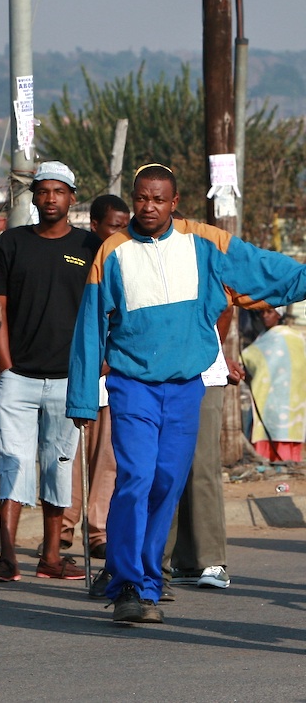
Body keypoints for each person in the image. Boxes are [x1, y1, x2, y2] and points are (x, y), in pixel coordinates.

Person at [67, 163, 306, 624]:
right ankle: (129, 585)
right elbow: (90, 328)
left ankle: (149, 582)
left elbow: (262, 269)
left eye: (159, 199)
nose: (149, 207)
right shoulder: (112, 252)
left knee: (166, 484)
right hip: (131, 385)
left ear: (174, 203)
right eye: (141, 198)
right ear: (133, 199)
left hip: (184, 388)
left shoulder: (204, 242)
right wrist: (81, 398)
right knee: (135, 478)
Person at [0, 161, 99, 583]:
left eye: (59, 191)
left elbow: (103, 310)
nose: (50, 198)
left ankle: (52, 557)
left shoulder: (90, 247)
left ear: (72, 197)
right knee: (14, 461)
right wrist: (6, 362)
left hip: (70, 379)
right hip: (19, 376)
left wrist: (96, 365)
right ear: (33, 196)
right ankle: (7, 557)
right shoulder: (12, 243)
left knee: (58, 464)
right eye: (43, 191)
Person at [61, 194, 129, 578]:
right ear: (96, 227)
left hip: (114, 371)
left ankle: (99, 529)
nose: (120, 233)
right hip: (80, 370)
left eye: (124, 225)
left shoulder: (129, 259)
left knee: (108, 457)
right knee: (72, 454)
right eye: (113, 226)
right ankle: (64, 528)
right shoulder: (82, 260)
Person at [163, 307, 243, 594]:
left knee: (202, 464)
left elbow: (224, 307)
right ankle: (174, 561)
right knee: (167, 467)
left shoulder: (209, 262)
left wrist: (205, 351)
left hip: (204, 372)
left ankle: (210, 560)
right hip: (161, 368)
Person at [242, 304, 306, 463]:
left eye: (269, 312)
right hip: (273, 395)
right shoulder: (264, 337)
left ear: (279, 315)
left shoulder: (284, 336)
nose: (265, 316)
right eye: (262, 312)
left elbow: (247, 357)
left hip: (285, 394)